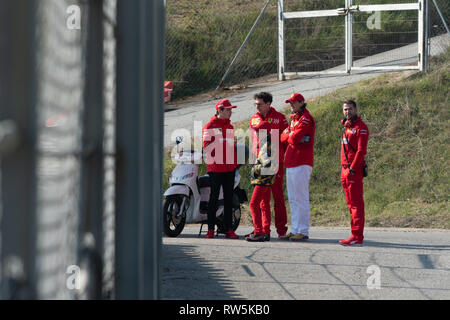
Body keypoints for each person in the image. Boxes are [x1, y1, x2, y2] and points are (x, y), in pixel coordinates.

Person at [246, 92, 289, 242]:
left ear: (268, 103)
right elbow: (259, 128)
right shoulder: (254, 118)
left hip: (275, 162)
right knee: (262, 200)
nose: (257, 107)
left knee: (278, 198)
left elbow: (286, 139)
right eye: (255, 104)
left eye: (259, 104)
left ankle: (281, 230)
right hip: (259, 162)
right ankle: (264, 230)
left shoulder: (280, 117)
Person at [280, 93, 315, 241]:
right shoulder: (294, 118)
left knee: (301, 197)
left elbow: (293, 138)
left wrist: (289, 135)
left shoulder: (306, 118)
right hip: (291, 161)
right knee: (293, 198)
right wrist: (289, 135)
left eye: (294, 102)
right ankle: (295, 229)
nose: (291, 105)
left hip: (302, 161)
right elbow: (283, 138)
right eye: (290, 102)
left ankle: (303, 230)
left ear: (302, 103)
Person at [202, 99, 239, 239]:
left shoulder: (230, 126)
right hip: (216, 167)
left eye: (231, 110)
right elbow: (207, 146)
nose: (230, 112)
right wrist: (224, 143)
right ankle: (210, 230)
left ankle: (229, 230)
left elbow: (230, 147)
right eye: (228, 110)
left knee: (229, 199)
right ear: (220, 110)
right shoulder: (210, 126)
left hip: (229, 167)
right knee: (214, 198)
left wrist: (235, 163)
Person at [339, 99, 369, 246]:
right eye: (345, 109)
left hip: (353, 170)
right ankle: (354, 234)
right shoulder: (346, 127)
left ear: (356, 110)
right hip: (344, 169)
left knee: (356, 204)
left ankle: (357, 235)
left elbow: (361, 150)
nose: (347, 112)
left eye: (350, 109)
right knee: (350, 204)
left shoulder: (361, 127)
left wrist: (352, 168)